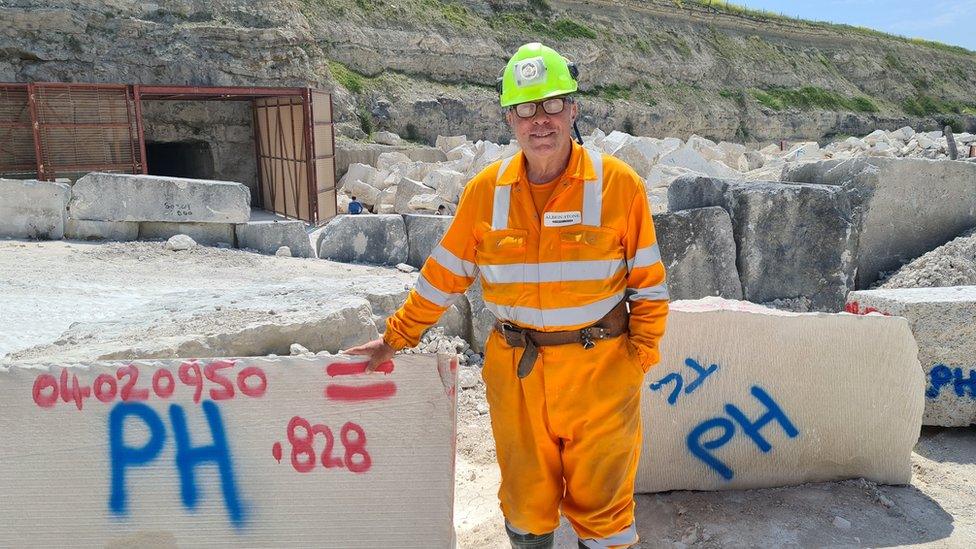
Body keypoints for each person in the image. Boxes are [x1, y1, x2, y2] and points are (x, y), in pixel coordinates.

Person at [345, 42, 668, 549]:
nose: (540, 120)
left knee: (605, 510)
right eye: (525, 108)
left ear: (574, 108)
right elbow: (443, 277)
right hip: (517, 373)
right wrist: (394, 339)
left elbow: (649, 283)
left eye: (552, 104)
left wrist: (637, 359)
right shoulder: (485, 192)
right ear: (509, 120)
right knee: (525, 502)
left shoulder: (618, 186)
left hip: (601, 373)